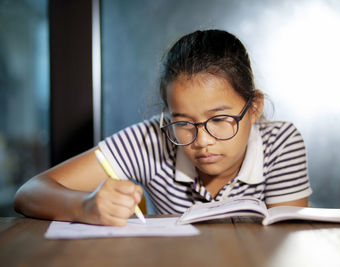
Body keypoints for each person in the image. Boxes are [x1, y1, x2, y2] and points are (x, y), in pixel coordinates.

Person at [14, 29, 312, 226]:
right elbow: (29, 193)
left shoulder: (281, 143)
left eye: (220, 120)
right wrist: (85, 205)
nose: (203, 141)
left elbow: (284, 241)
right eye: (183, 122)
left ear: (254, 107)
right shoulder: (151, 139)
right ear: (168, 116)